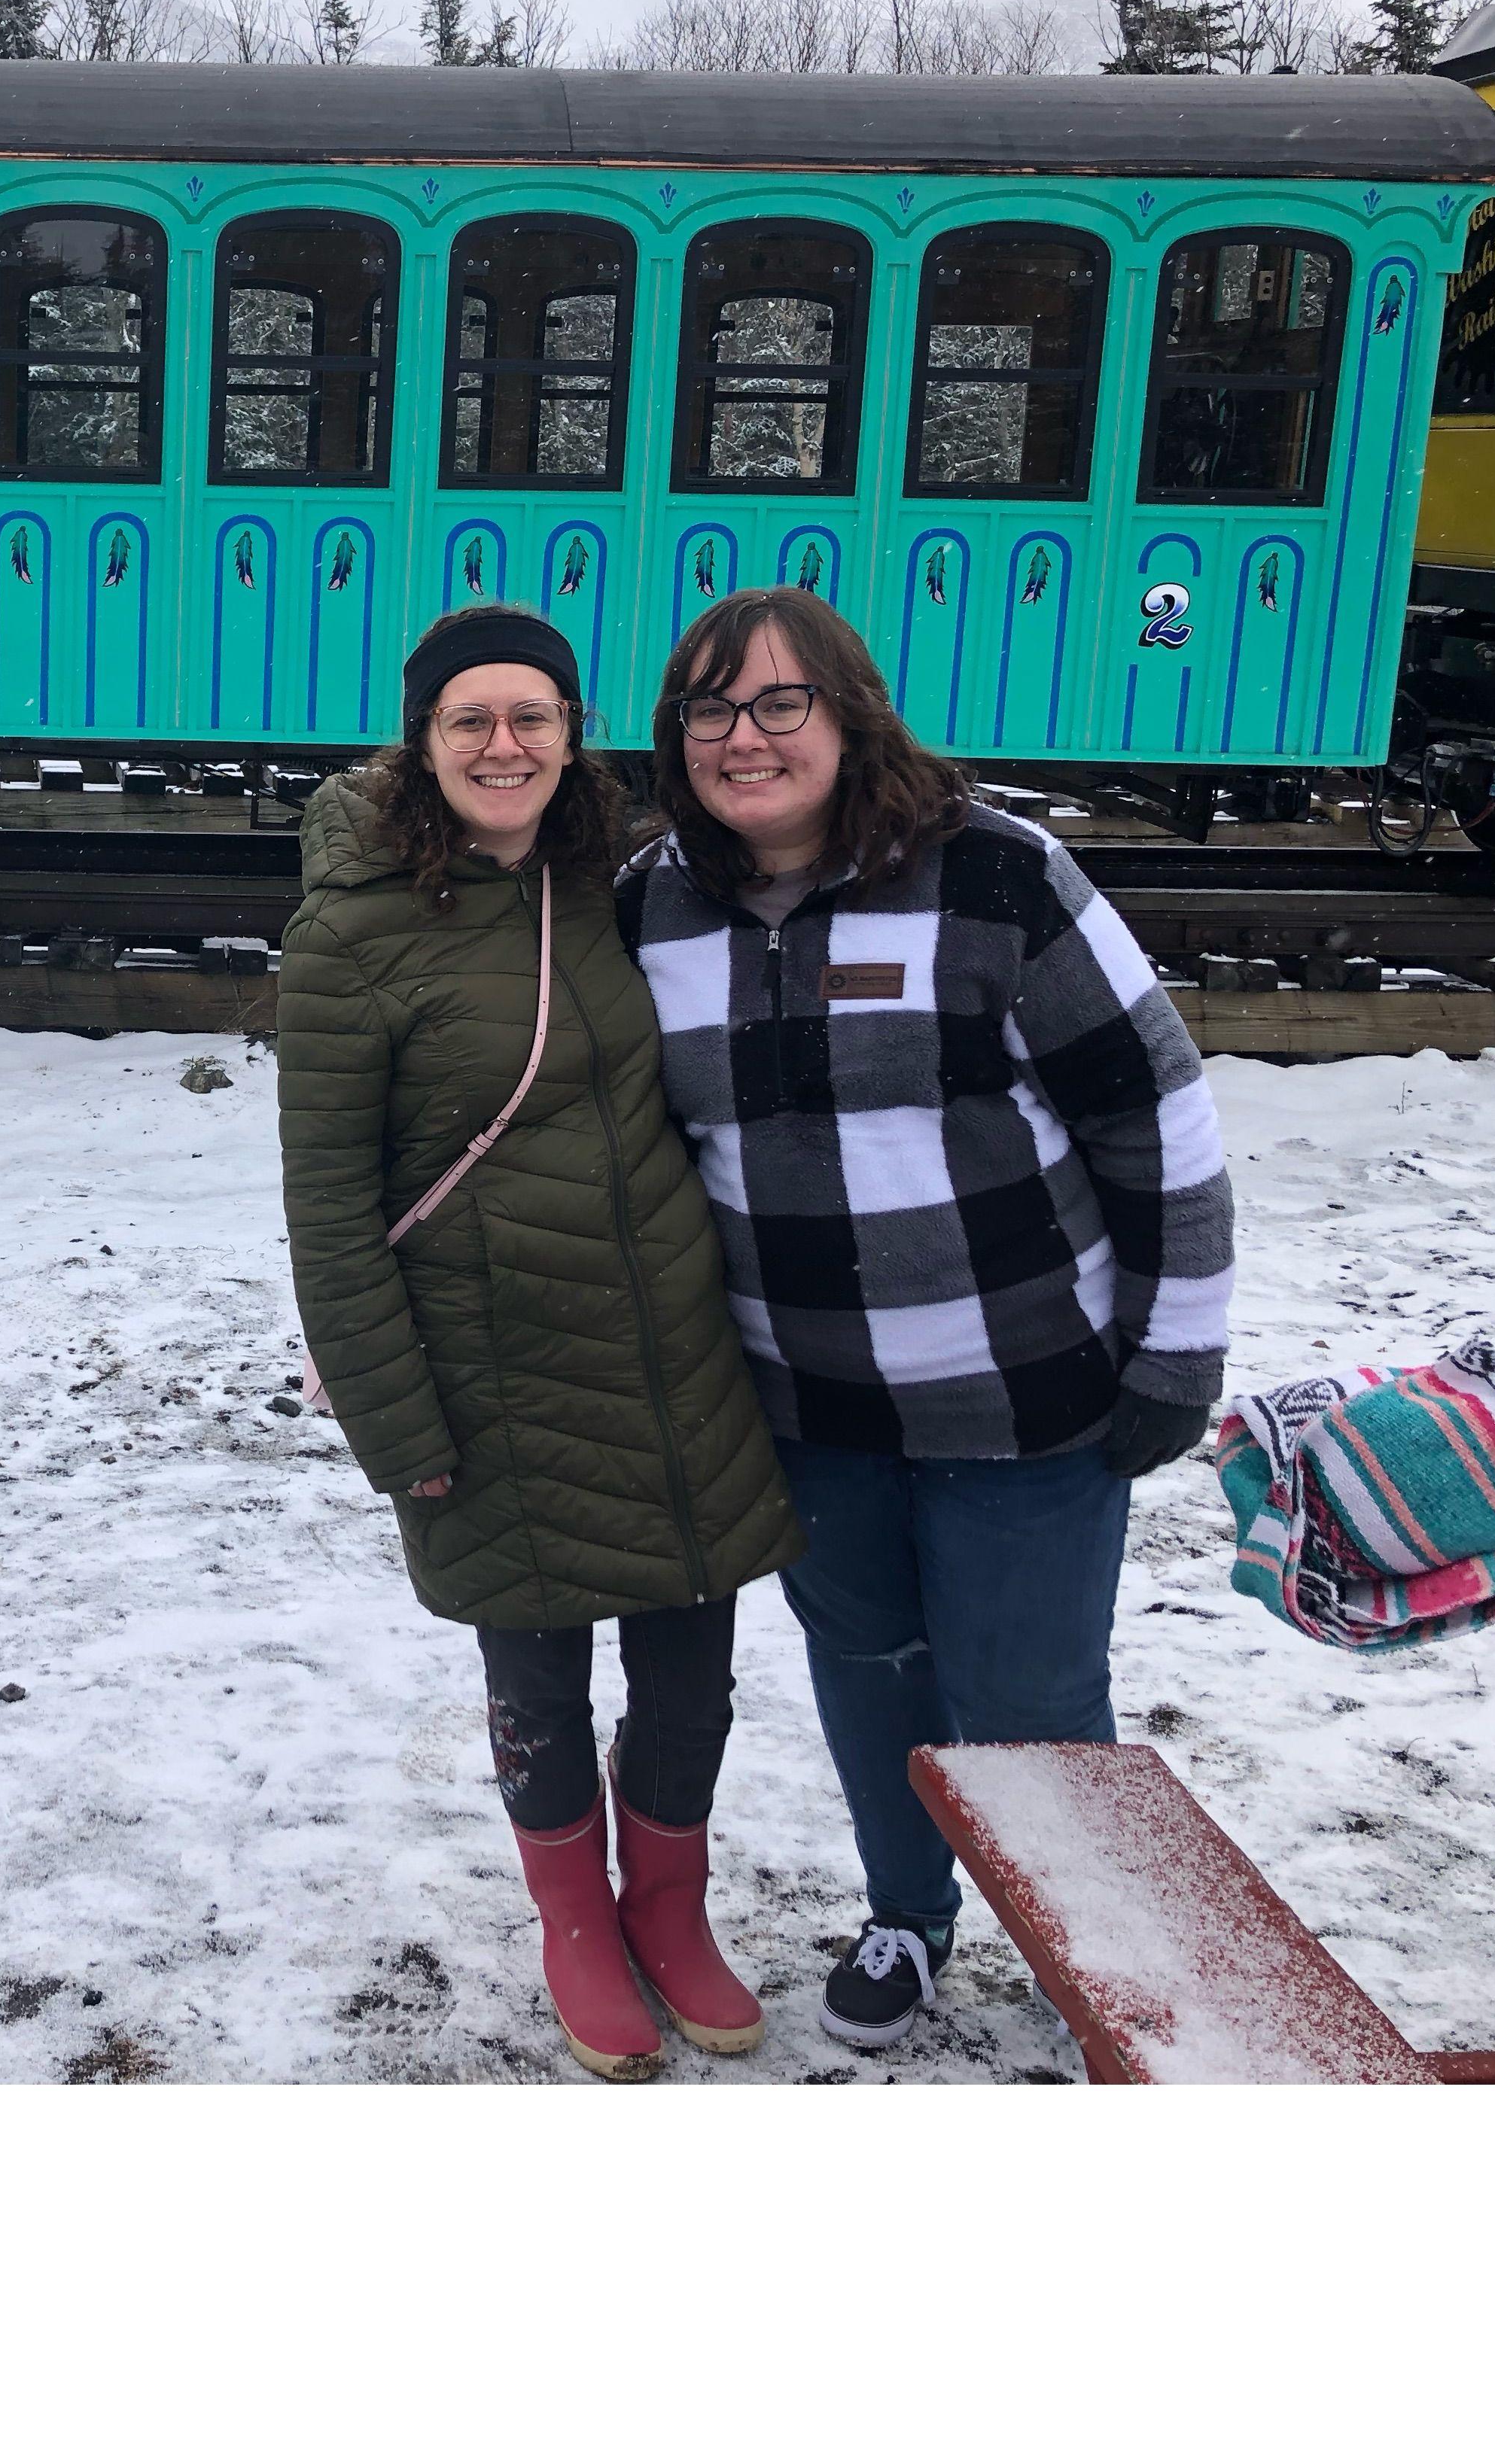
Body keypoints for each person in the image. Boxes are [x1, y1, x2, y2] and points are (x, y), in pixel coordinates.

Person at [616, 590, 1235, 2052]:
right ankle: (909, 1914)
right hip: (808, 1416)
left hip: (1024, 1403)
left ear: (848, 713)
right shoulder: (653, 906)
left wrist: (1177, 1352)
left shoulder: (993, 877)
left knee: (1029, 1698)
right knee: (872, 1679)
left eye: (780, 704)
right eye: (710, 709)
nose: (744, 737)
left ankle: (1085, 1954)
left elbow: (1160, 1121)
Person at [279, 604, 802, 2079]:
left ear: (574, 737)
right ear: (424, 742)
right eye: (470, 722)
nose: (504, 747)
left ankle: (672, 1910)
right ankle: (578, 1925)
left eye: (533, 718)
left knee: (693, 1662)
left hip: (674, 1358)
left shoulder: (614, 878)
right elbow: (326, 1209)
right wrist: (398, 1431)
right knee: (540, 1682)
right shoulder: (351, 934)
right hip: (488, 1371)